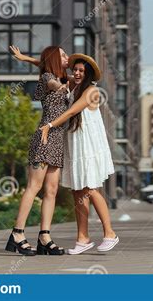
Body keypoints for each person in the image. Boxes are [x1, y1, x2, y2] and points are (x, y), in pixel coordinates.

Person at [40, 54, 119, 255]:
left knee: (91, 189)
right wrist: (26, 59)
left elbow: (70, 112)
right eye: (74, 69)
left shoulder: (92, 91)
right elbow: (47, 65)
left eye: (81, 71)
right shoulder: (73, 87)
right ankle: (82, 238)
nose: (76, 73)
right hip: (75, 143)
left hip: (89, 146)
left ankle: (110, 233)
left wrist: (49, 126)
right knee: (78, 191)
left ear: (88, 73)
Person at [5, 46, 71, 256]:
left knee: (51, 191)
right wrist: (63, 85)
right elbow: (50, 80)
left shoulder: (64, 76)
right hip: (43, 138)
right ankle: (17, 234)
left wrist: (25, 58)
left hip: (57, 141)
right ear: (54, 59)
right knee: (34, 186)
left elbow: (42, 63)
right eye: (62, 55)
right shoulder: (49, 78)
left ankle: (44, 237)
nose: (67, 57)